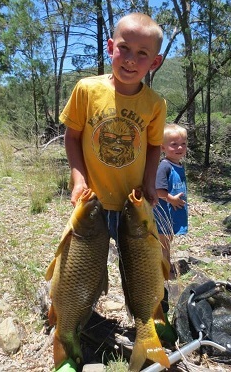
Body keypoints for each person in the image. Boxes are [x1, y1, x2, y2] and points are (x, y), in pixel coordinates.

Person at [58, 12, 172, 370]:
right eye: (124, 49)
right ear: (111, 48)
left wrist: (151, 180)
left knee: (142, 271)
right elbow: (72, 136)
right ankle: (65, 337)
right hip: (90, 205)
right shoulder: (87, 89)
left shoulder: (155, 104)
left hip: (133, 207)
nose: (131, 60)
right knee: (71, 274)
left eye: (142, 54)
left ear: (154, 62)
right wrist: (78, 179)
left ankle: (152, 325)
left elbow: (154, 147)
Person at [155, 123, 188, 278]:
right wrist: (172, 200)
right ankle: (164, 272)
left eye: (183, 144)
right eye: (174, 145)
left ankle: (165, 269)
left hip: (173, 213)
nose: (179, 148)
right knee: (163, 243)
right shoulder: (164, 166)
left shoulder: (178, 165)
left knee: (167, 241)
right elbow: (159, 191)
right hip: (164, 214)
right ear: (163, 148)